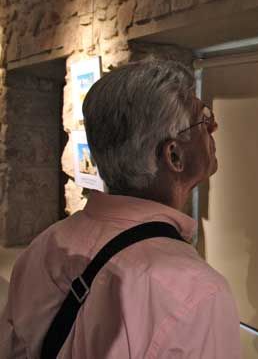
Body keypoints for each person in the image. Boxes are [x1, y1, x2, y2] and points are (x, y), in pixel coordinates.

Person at [0, 59, 241, 358]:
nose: (213, 125)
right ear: (174, 155)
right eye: (202, 119)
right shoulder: (198, 292)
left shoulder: (46, 246)